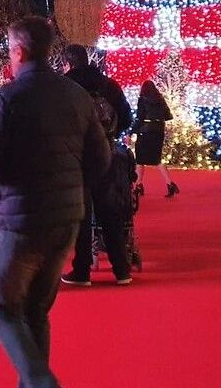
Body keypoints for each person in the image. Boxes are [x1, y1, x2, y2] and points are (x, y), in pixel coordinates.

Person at [0, 17, 111, 388]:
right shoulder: (76, 95)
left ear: (19, 52)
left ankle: (41, 381)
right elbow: (101, 159)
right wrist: (71, 187)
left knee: (3, 310)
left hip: (23, 217)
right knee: (36, 311)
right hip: (67, 216)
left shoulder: (8, 98)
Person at [59, 43, 132, 287]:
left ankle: (82, 270)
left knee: (80, 214)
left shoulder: (64, 87)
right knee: (109, 212)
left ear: (67, 63)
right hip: (105, 153)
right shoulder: (108, 85)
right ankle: (121, 269)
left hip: (76, 157)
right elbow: (126, 117)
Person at [131, 79, 178, 198]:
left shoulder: (142, 99)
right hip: (158, 131)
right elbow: (168, 116)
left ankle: (138, 185)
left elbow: (140, 117)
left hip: (145, 131)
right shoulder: (160, 99)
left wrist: (132, 131)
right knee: (157, 159)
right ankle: (170, 184)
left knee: (140, 160)